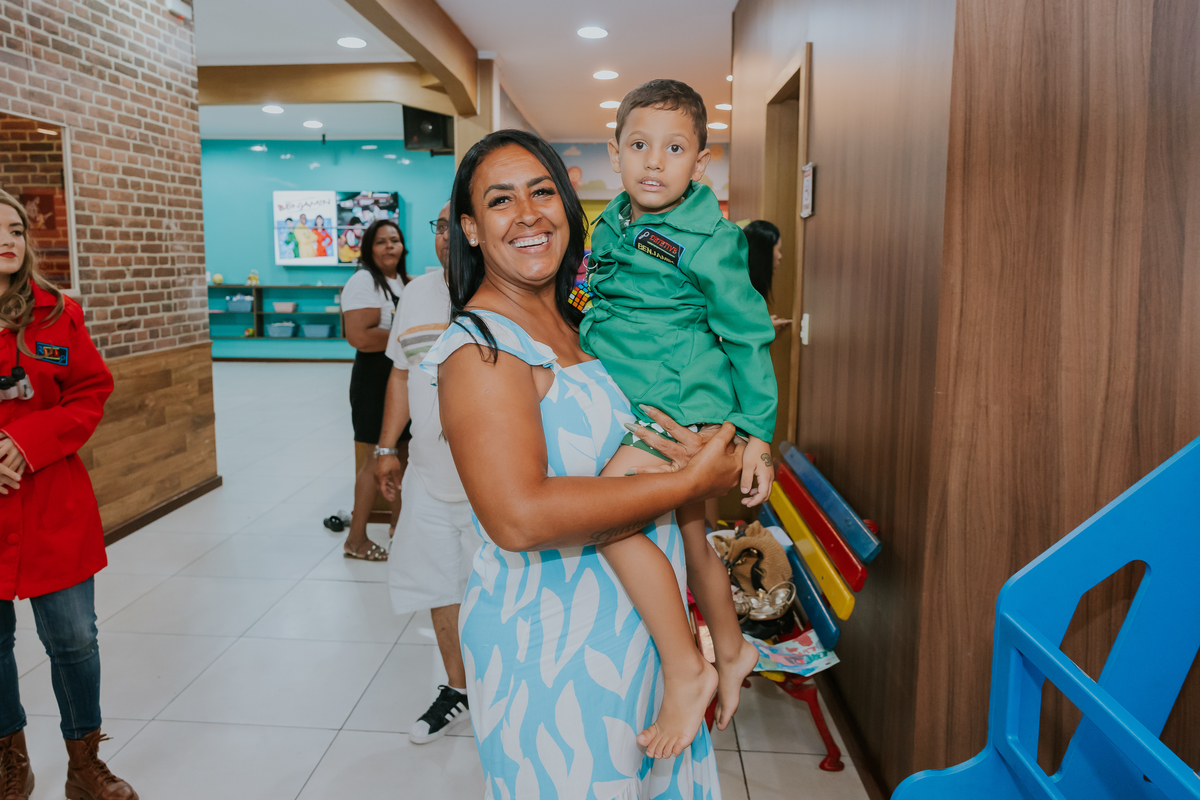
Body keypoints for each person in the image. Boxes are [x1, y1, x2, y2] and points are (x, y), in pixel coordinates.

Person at [426, 129, 743, 798]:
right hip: (552, 645)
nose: (529, 214)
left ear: (569, 208)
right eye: (500, 200)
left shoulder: (589, 324)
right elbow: (518, 517)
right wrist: (691, 480)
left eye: (543, 192)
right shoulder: (482, 350)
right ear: (471, 230)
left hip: (643, 630)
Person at [580, 79, 775, 758]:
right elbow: (595, 294)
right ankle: (733, 647)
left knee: (603, 515)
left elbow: (749, 335)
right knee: (692, 537)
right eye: (639, 146)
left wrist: (757, 434)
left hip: (680, 405)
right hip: (637, 397)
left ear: (701, 161)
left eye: (674, 148)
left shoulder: (711, 239)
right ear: (615, 153)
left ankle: (686, 668)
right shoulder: (611, 221)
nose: (654, 162)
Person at [0, 190, 139, 800]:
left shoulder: (58, 313)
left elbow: (89, 392)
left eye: (16, 230)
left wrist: (26, 440)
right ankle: (10, 762)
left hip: (52, 499)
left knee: (75, 638)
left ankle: (85, 766)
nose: (8, 240)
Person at [374, 201, 475, 744]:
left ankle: (502, 691)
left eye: (455, 226)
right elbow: (400, 374)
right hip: (429, 475)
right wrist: (386, 447)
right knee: (439, 583)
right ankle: (458, 688)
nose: (445, 237)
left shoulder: (507, 291)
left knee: (495, 590)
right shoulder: (415, 293)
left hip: (491, 482)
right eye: (438, 227)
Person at [341, 219, 409, 560]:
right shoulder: (363, 282)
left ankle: (400, 528)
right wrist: (407, 338)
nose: (389, 246)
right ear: (369, 248)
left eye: (394, 240)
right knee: (374, 459)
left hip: (402, 377)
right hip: (373, 380)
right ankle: (356, 540)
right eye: (381, 241)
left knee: (404, 456)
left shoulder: (404, 282)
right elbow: (360, 337)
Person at [741, 219, 790, 331]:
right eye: (778, 250)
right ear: (763, 253)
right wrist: (763, 328)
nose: (780, 256)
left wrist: (762, 324)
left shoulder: (746, 283)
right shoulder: (740, 289)